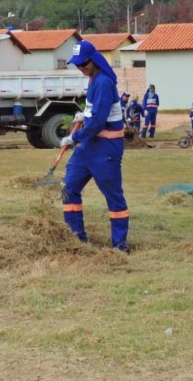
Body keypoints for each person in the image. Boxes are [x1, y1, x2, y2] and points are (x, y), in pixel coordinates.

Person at [59, 40, 130, 252]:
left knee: (113, 196)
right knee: (69, 188)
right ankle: (76, 237)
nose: (81, 68)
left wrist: (75, 138)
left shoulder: (104, 82)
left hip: (105, 149)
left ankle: (119, 244)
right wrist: (84, 115)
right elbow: (95, 113)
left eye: (83, 64)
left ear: (94, 60)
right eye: (77, 65)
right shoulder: (92, 80)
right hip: (88, 148)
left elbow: (99, 120)